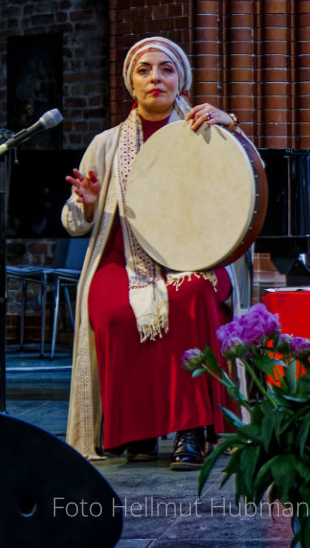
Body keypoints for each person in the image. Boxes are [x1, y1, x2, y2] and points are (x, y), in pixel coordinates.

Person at [63, 36, 246, 470]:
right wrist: (87, 204)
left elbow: (242, 188)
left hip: (192, 256)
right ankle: (136, 432)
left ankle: (193, 431)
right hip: (123, 257)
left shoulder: (207, 134)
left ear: (181, 80)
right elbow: (73, 221)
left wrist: (231, 125)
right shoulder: (106, 144)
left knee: (192, 296)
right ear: (131, 83)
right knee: (110, 310)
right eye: (145, 70)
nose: (155, 78)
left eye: (166, 69)